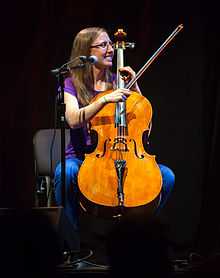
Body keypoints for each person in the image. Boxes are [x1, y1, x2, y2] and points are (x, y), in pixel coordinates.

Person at [54, 26, 175, 247]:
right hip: (86, 158)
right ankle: (71, 247)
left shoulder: (119, 82)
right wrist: (103, 100)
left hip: (126, 156)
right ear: (86, 51)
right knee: (66, 171)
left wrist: (135, 84)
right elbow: (72, 119)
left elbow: (143, 121)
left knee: (166, 177)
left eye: (110, 44)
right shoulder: (71, 84)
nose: (110, 49)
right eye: (103, 45)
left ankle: (137, 241)